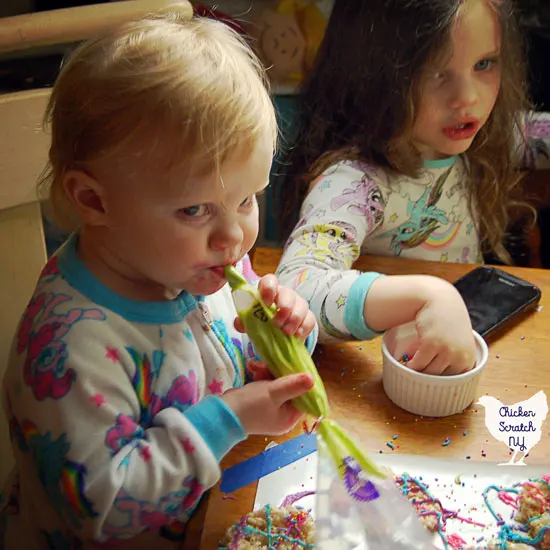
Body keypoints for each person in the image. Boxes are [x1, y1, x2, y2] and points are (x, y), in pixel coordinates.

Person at [0, 10, 319, 549]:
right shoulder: (69, 346)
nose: (234, 238)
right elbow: (103, 507)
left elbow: (239, 357)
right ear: (94, 201)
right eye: (195, 209)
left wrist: (287, 338)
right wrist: (233, 419)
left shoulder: (196, 264)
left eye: (246, 199)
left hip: (213, 509)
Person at [275, 0, 550, 345]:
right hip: (384, 368)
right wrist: (423, 294)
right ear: (371, 72)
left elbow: (533, 134)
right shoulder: (355, 182)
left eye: (484, 63)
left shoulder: (477, 135)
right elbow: (294, 292)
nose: (467, 98)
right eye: (433, 71)